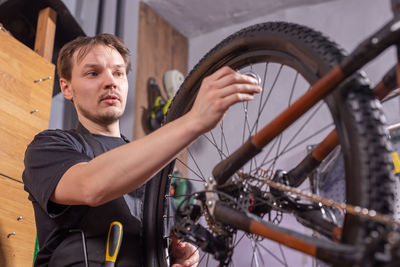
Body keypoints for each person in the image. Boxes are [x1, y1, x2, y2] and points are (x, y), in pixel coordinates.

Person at [23, 33, 261, 266]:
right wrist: (194, 120)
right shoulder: (49, 147)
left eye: (118, 73)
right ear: (66, 88)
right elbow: (91, 186)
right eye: (93, 73)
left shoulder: (154, 167)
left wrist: (179, 255)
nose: (111, 81)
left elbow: (162, 239)